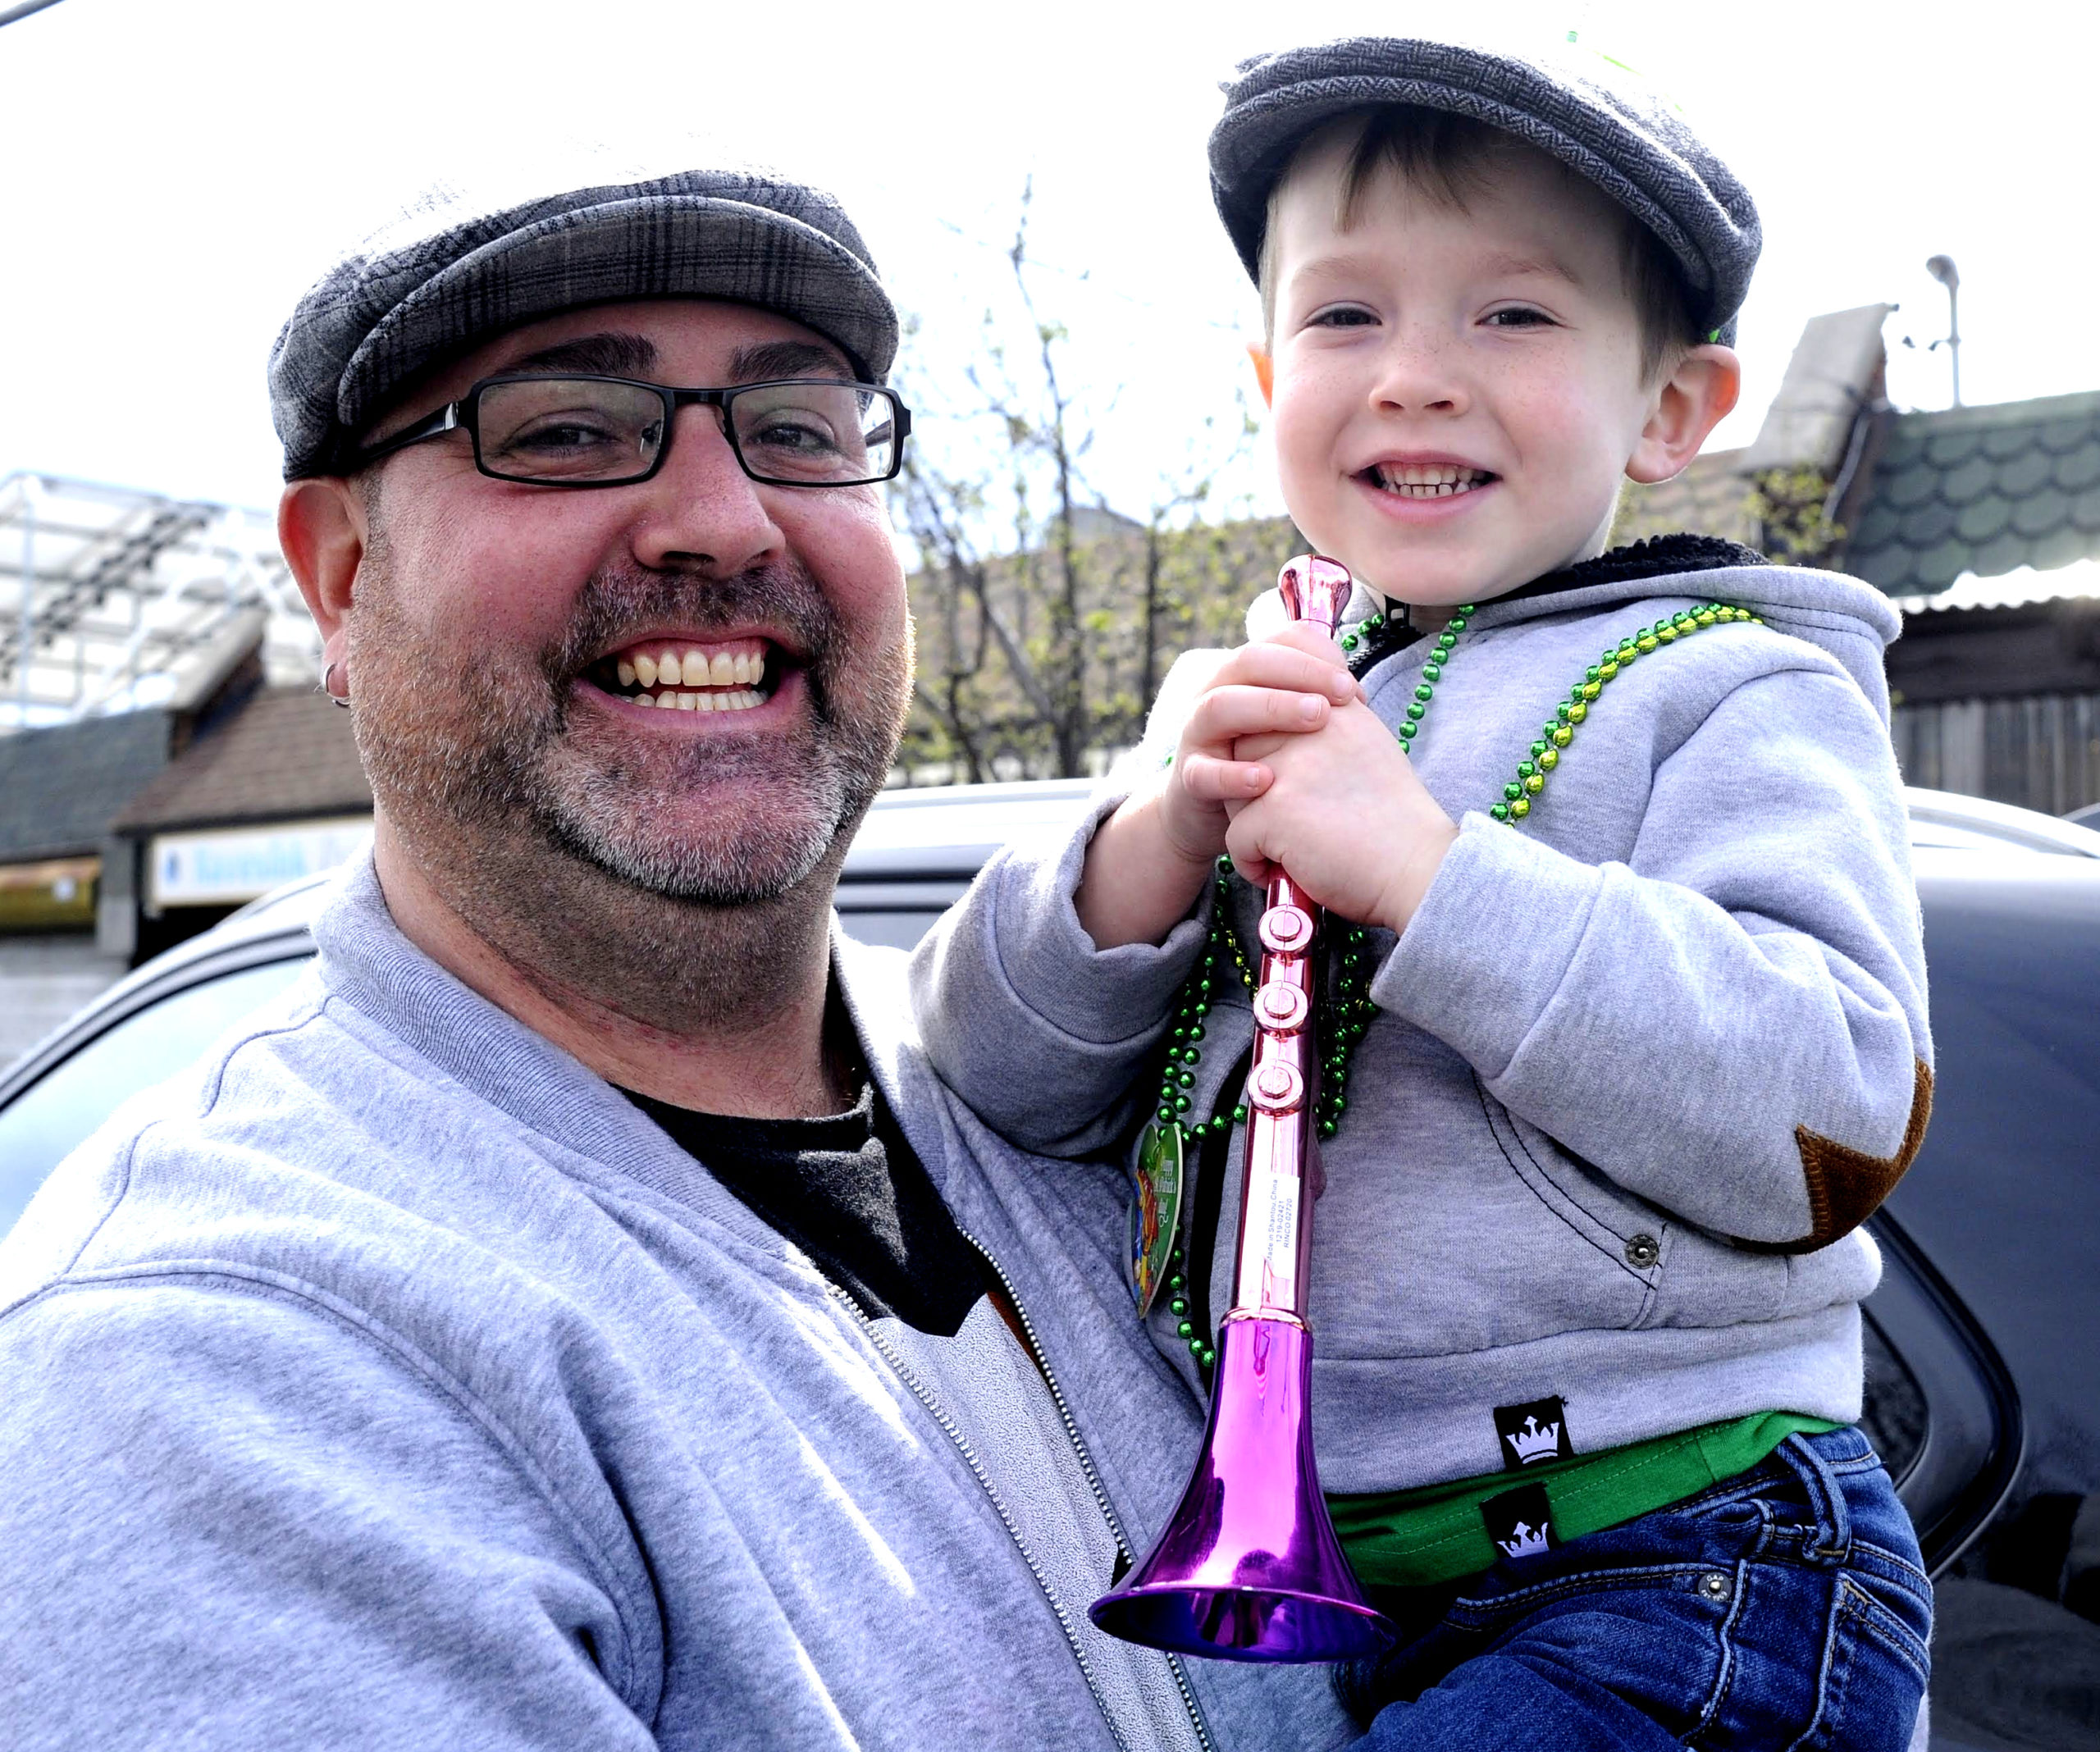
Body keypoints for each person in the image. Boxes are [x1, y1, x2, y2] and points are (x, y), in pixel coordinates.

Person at [0, 165, 1356, 1751]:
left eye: (798, 428)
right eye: (568, 429)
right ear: (342, 574)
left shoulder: (1101, 1079)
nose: (721, 520)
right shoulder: (207, 1368)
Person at [913, 39, 1935, 1748]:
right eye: (1344, 315)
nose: (1412, 379)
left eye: (1511, 315)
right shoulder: (1248, 703)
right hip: (1352, 1597)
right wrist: (1149, 843)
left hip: (1680, 1560)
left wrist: (1430, 879)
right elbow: (988, 1081)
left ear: (1672, 409)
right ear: (1265, 375)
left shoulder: (1736, 689)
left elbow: (1830, 1120)